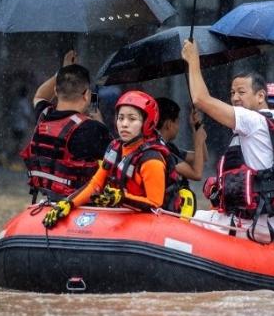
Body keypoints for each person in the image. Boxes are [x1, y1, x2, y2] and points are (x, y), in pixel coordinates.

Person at [181, 39, 274, 243]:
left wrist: (193, 61)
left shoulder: (253, 120)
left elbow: (200, 99)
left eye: (241, 92)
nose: (235, 98)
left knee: (189, 218)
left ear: (260, 96)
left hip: (258, 225)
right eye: (232, 93)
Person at [43, 90, 185, 228]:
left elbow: (155, 204)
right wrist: (69, 203)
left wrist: (122, 198)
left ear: (147, 123)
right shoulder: (115, 148)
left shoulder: (151, 159)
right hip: (124, 217)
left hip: (153, 224)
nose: (124, 124)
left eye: (132, 119)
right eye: (121, 118)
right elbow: (95, 184)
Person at [21, 50, 111, 202]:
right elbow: (114, 158)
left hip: (48, 197)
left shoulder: (43, 117)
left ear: (56, 90)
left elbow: (40, 96)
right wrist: (98, 119)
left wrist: (62, 71)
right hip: (79, 204)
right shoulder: (93, 129)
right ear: (87, 95)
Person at [156, 97, 208, 182]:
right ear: (169, 124)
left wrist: (196, 127)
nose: (178, 127)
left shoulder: (169, 147)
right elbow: (196, 174)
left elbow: (203, 157)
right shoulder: (160, 150)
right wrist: (198, 141)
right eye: (177, 122)